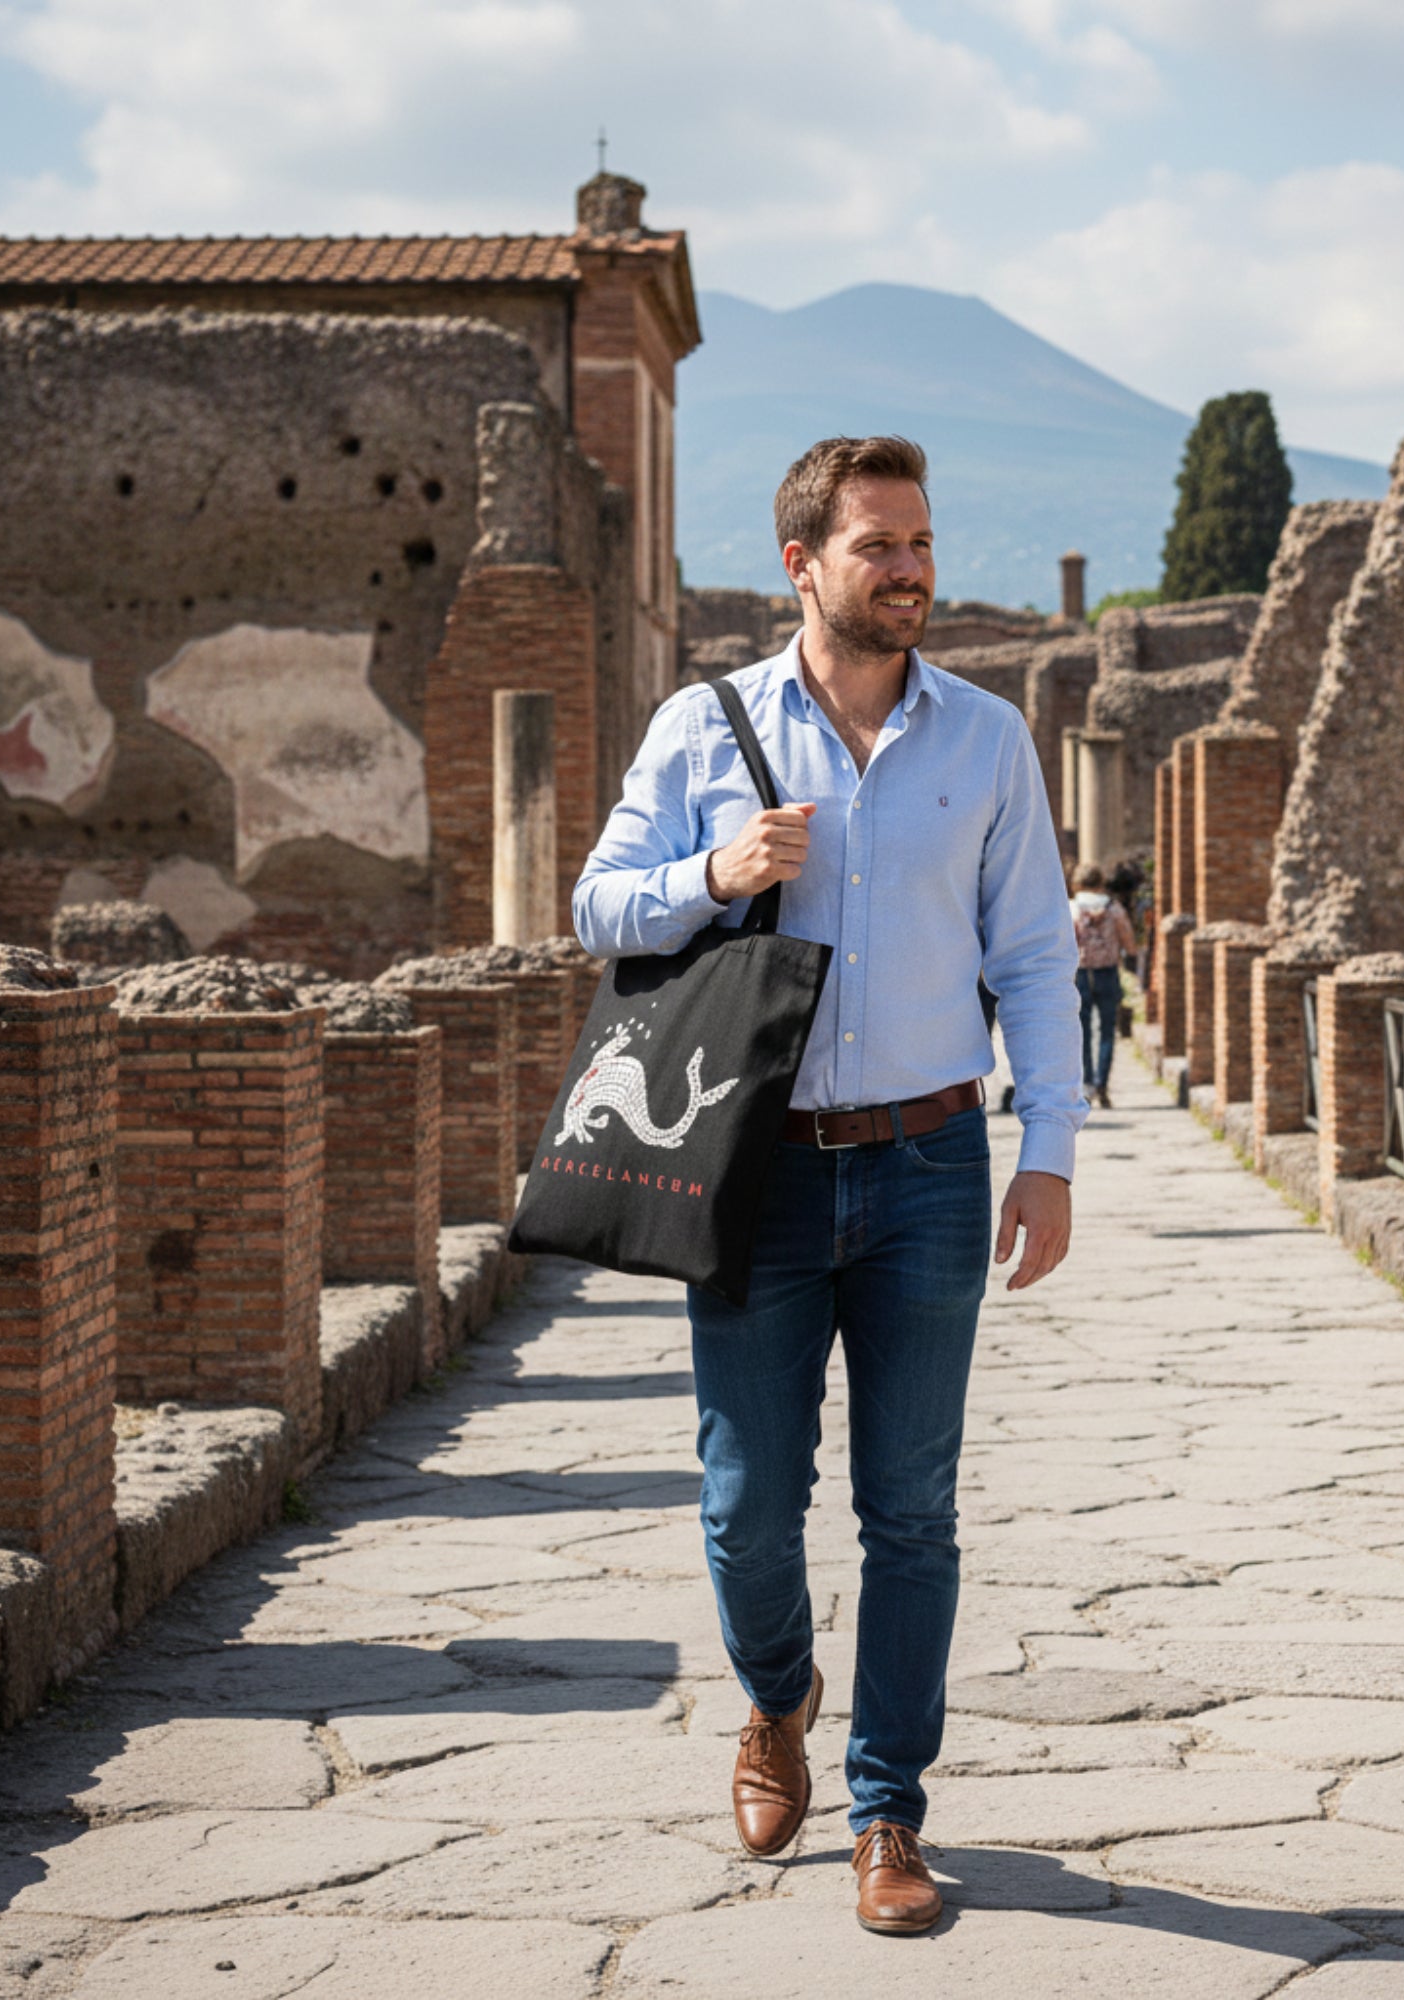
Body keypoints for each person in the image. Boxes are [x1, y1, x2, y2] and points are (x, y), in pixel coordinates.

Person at [574, 434, 1085, 1935]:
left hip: (930, 1161)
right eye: (880, 545)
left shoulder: (986, 738)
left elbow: (1038, 957)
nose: (913, 567)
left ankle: (888, 1810)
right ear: (805, 562)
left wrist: (1046, 1148)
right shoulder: (702, 725)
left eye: (922, 540)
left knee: (913, 1511)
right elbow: (599, 902)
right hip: (757, 1175)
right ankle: (778, 1693)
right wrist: (715, 875)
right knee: (745, 1506)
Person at [1071, 861, 1136, 1107]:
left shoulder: (1073, 909)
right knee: (1108, 1030)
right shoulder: (1114, 909)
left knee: (1083, 1031)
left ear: (1077, 883)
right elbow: (1129, 943)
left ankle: (1087, 1083)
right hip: (1108, 973)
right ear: (1100, 883)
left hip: (1080, 975)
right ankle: (1103, 1083)